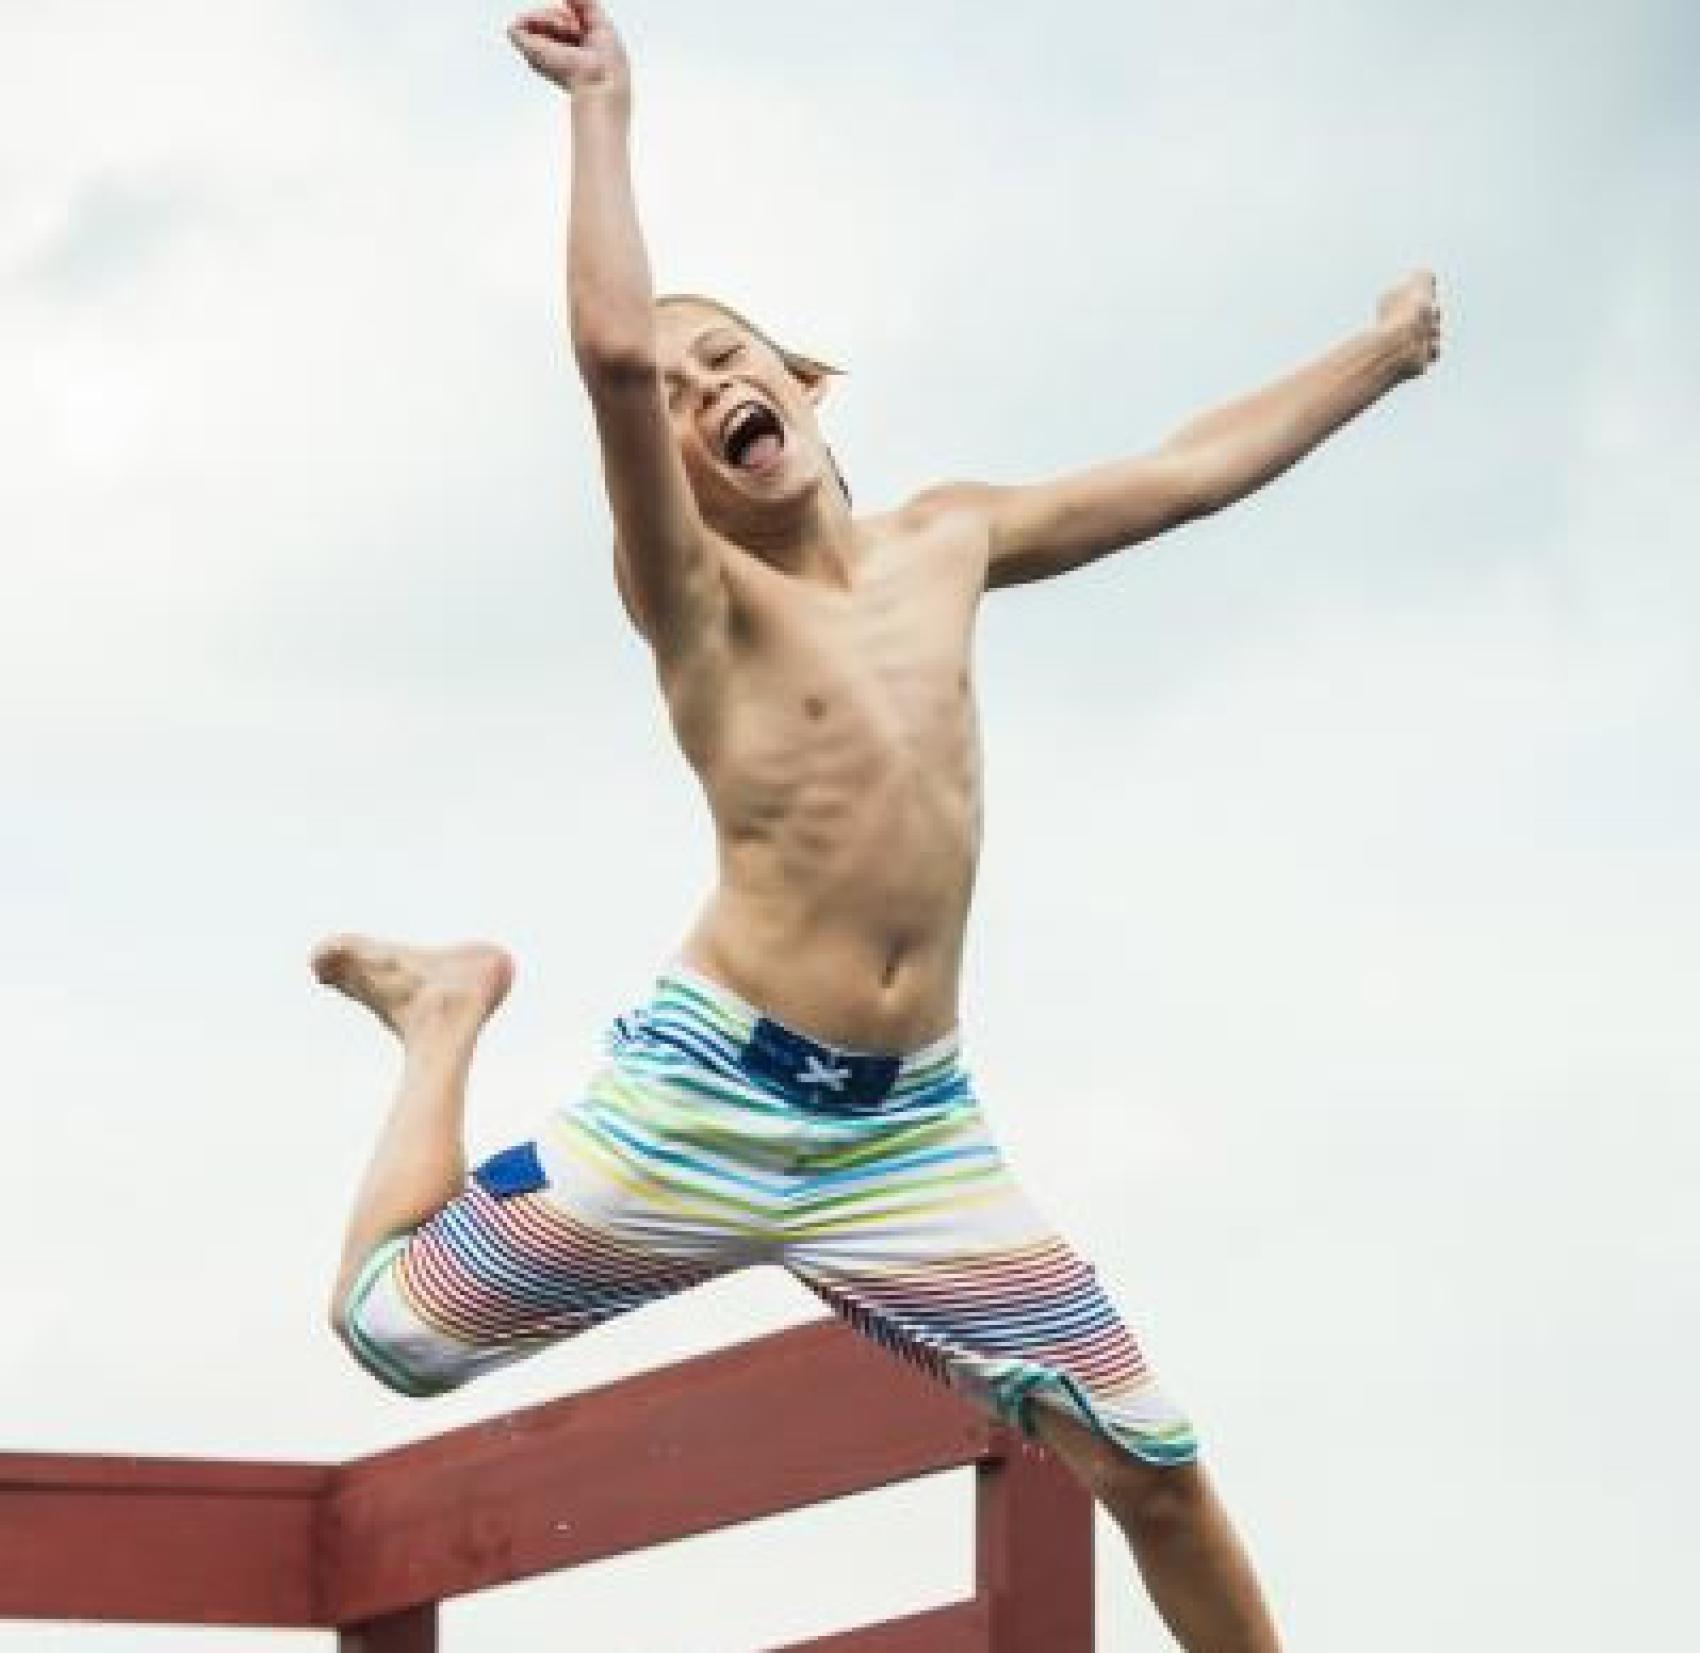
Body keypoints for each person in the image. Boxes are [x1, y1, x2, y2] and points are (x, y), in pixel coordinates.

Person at [312, 6, 1443, 1648]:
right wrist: (604, 114)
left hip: (911, 1129)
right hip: (709, 1096)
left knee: (1158, 1462)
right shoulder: (702, 607)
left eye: (736, 363)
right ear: (677, 489)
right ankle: (440, 1013)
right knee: (391, 1331)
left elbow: (1186, 469)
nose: (706, 391)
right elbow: (618, 356)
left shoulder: (952, 540)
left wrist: (1379, 355)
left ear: (809, 380)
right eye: (686, 399)